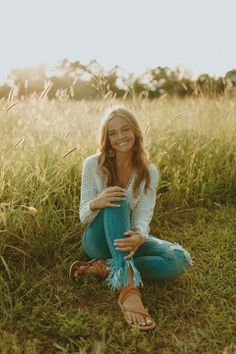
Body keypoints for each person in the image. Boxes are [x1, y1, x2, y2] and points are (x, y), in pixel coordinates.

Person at [69, 105, 192, 331]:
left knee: (180, 258)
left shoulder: (149, 172)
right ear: (106, 138)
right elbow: (84, 216)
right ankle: (127, 285)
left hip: (126, 239)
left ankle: (106, 268)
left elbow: (144, 215)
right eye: (112, 133)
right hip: (97, 240)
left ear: (135, 131)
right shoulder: (92, 165)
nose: (120, 137)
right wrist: (98, 201)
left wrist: (139, 236)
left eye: (125, 129)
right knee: (118, 197)